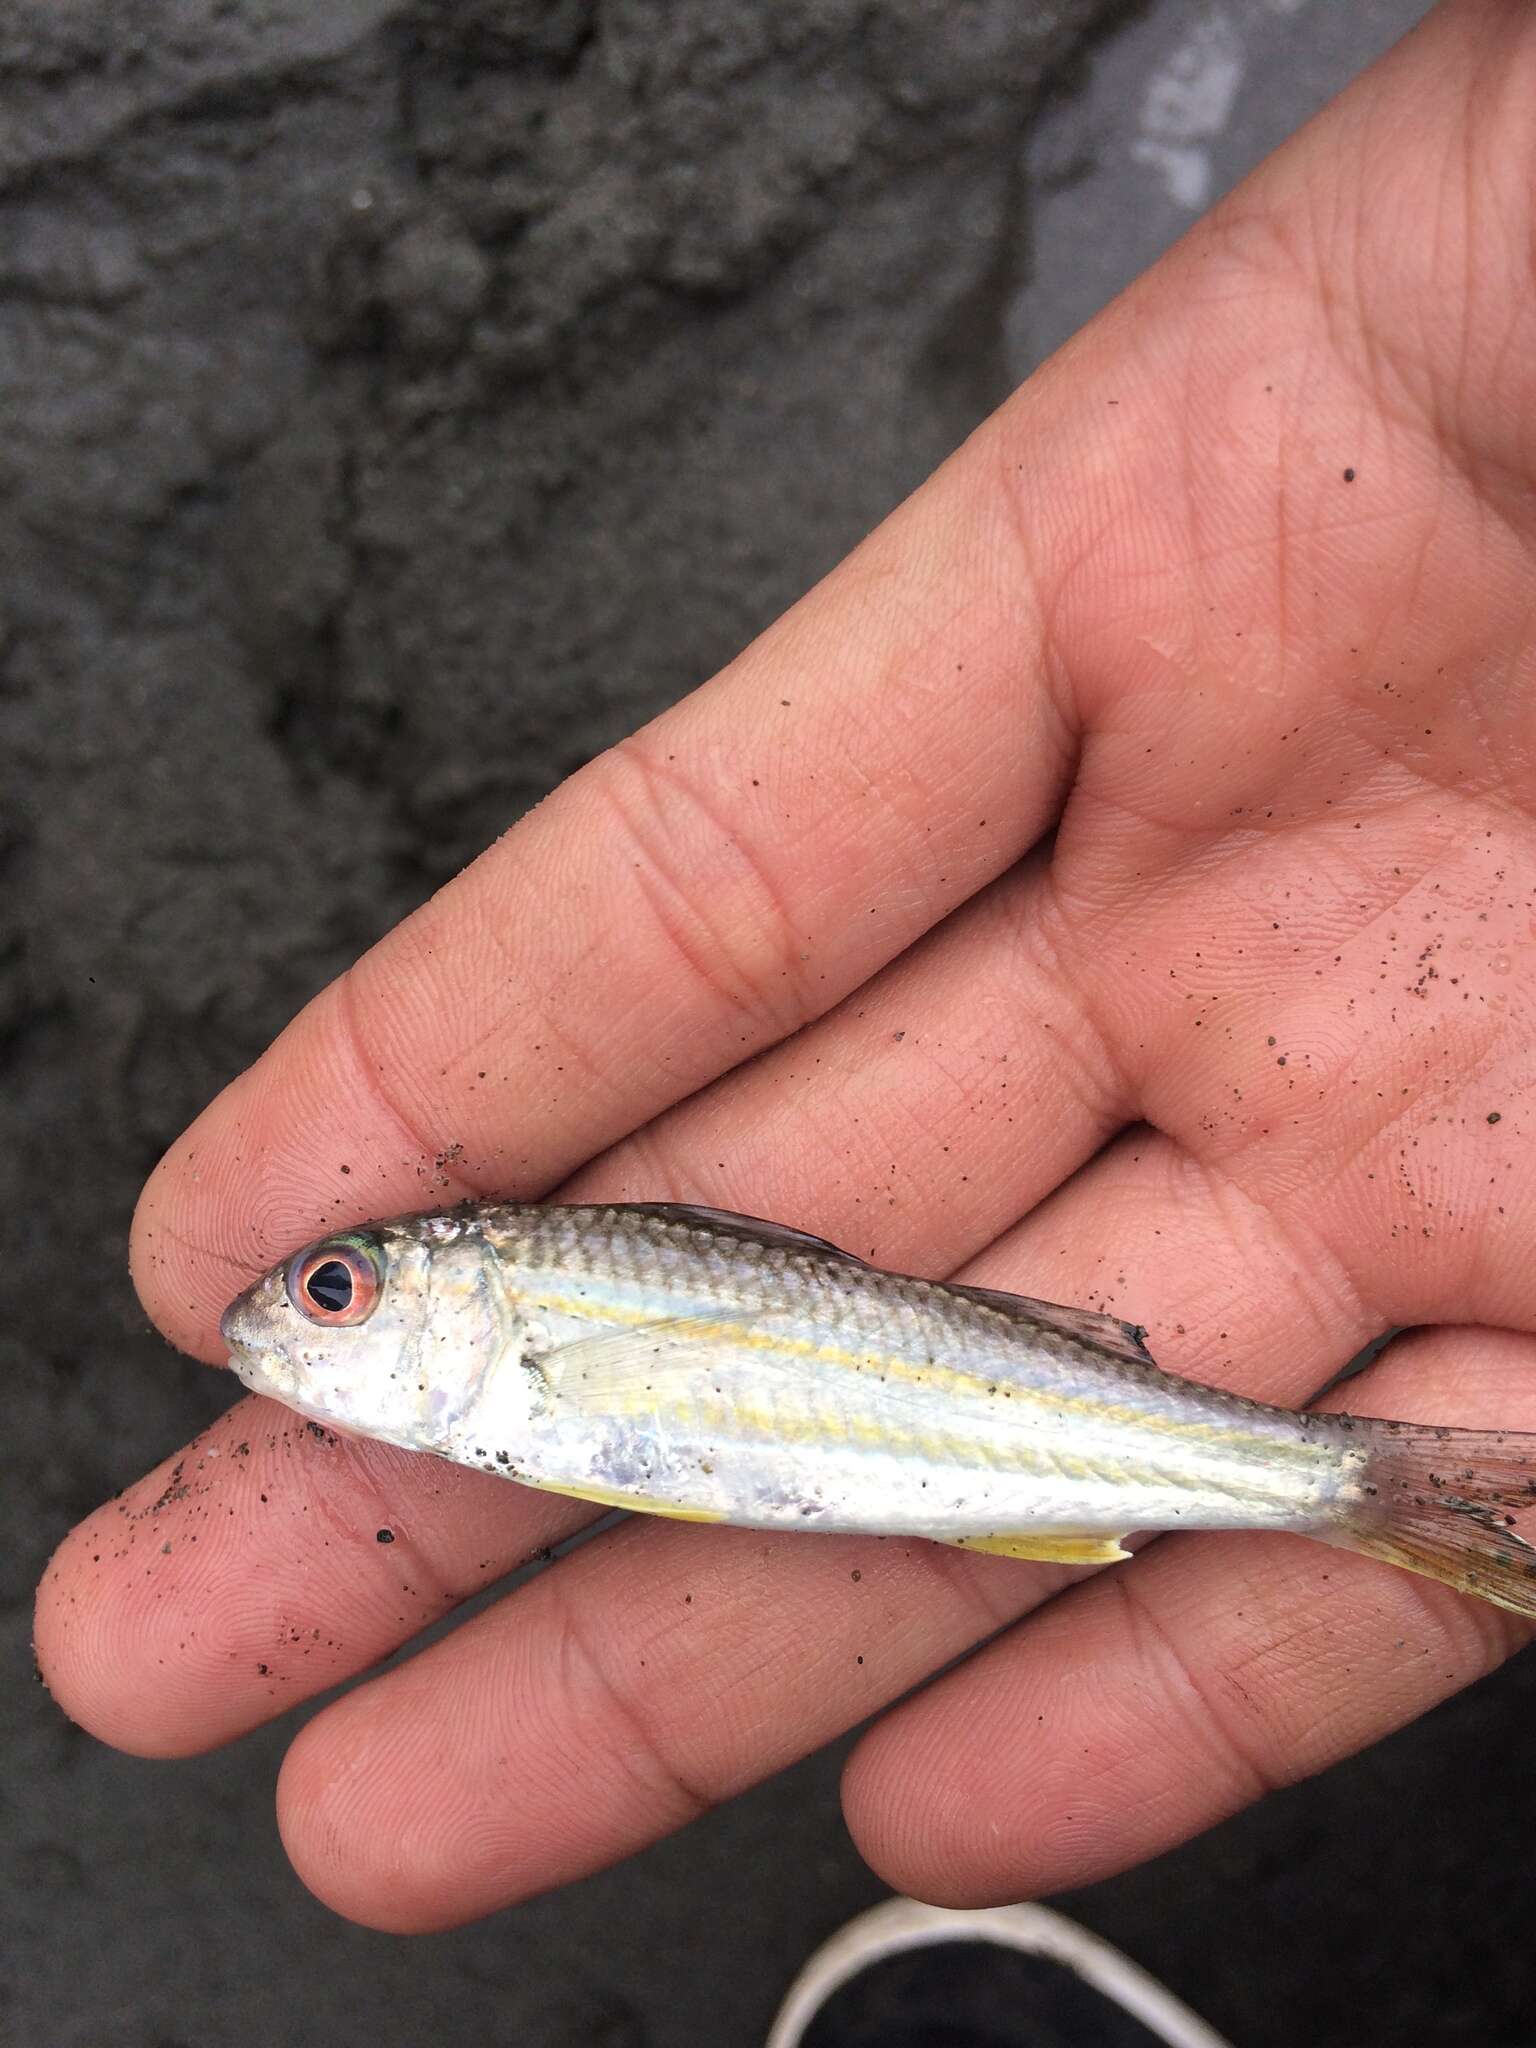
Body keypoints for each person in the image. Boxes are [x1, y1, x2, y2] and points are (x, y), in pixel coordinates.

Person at [32, 1, 1536, 2012]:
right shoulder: (524, 1364)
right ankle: (1344, 1485)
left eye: (341, 1291)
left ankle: (1345, 1483)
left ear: (482, 1296)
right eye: (332, 1287)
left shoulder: (539, 1352)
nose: (297, 1315)